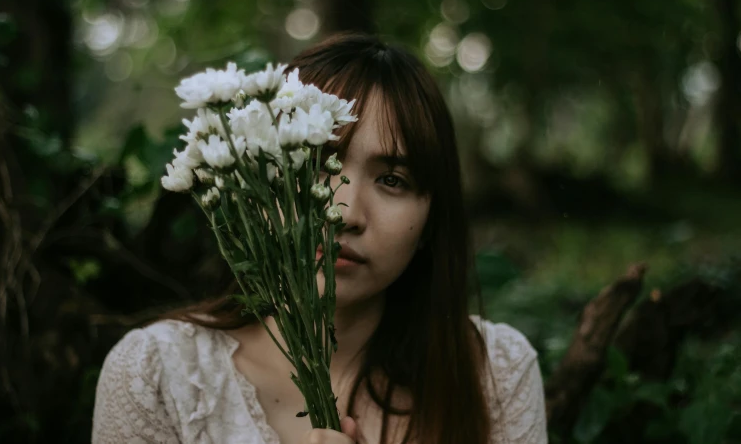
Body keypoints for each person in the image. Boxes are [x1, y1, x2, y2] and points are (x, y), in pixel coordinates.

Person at [91, 33, 547, 444]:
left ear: (431, 219)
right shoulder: (157, 377)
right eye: (314, 162)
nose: (343, 212)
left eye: (392, 180)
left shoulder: (494, 373)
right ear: (256, 177)